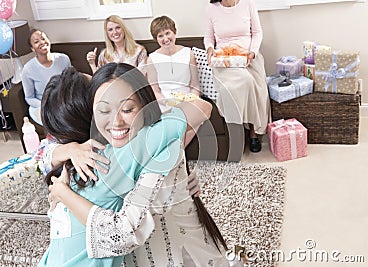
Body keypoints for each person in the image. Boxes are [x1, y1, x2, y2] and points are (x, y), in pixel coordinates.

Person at [44, 63, 239, 266]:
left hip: (176, 248)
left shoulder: (135, 147)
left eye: (127, 108)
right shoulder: (98, 158)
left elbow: (201, 108)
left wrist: (61, 189)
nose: (116, 121)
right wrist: (67, 155)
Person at [204, 0, 271, 154]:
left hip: (248, 57)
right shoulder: (211, 9)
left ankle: (253, 132)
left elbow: (257, 33)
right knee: (244, 81)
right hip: (224, 61)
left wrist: (253, 51)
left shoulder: (248, 3)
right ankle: (238, 131)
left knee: (257, 86)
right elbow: (208, 37)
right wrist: (209, 49)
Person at [147, 15, 201, 113]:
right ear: (156, 39)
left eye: (168, 33)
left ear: (174, 32)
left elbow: (195, 86)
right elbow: (155, 91)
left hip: (188, 102)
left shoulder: (189, 53)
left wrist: (190, 101)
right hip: (164, 105)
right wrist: (168, 103)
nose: (166, 38)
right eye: (160, 36)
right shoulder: (151, 59)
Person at [21, 29, 71, 125]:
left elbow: (70, 83)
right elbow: (29, 98)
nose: (42, 42)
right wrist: (46, 105)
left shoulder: (64, 59)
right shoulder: (28, 69)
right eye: (36, 42)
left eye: (43, 38)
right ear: (32, 48)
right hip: (42, 106)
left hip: (63, 102)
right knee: (57, 123)